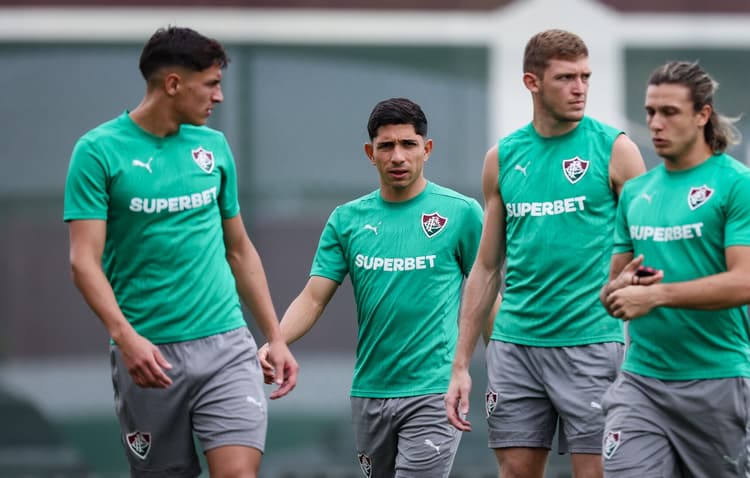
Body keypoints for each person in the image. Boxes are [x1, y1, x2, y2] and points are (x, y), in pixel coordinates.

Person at [64, 26, 298, 478]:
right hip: (148, 354)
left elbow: (239, 250)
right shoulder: (97, 152)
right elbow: (83, 262)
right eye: (211, 84)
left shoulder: (213, 147)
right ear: (173, 84)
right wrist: (126, 338)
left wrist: (275, 337)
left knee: (238, 473)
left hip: (227, 344)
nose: (219, 97)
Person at [445, 29, 647, 478]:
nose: (579, 88)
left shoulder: (617, 150)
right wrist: (460, 364)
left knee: (597, 473)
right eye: (566, 78)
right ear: (531, 82)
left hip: (592, 344)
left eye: (585, 77)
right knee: (516, 472)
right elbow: (486, 267)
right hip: (515, 347)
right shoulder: (502, 158)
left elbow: (650, 252)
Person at [258, 97, 487, 477]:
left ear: (427, 149)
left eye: (408, 144)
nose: (398, 156)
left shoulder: (461, 213)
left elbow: (487, 293)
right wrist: (276, 341)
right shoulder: (346, 220)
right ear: (371, 153)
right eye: (387, 146)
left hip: (434, 391)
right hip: (369, 393)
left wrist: (507, 368)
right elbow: (313, 298)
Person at [599, 60, 750, 477]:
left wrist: (657, 295)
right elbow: (612, 291)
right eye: (650, 112)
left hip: (715, 383)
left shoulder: (739, 184)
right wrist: (618, 291)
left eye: (670, 112)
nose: (656, 123)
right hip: (641, 383)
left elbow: (746, 283)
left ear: (702, 115)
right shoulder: (635, 192)